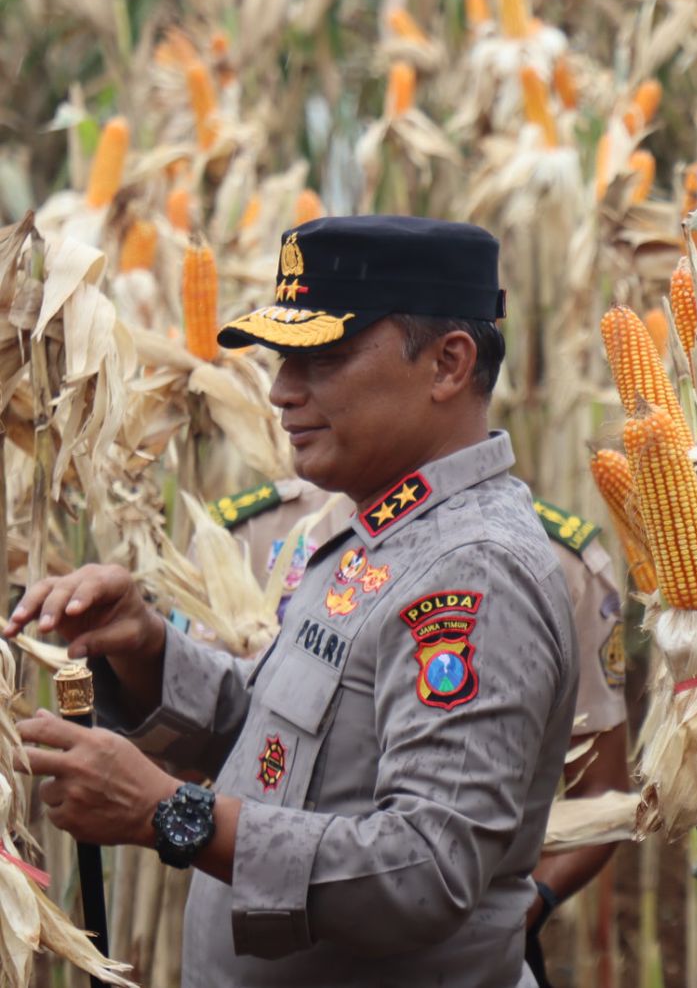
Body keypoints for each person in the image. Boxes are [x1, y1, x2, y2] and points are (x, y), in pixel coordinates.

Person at [6, 216, 576, 987]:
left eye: (324, 358)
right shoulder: (382, 531)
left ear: (448, 364)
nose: (278, 392)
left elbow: (426, 870)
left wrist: (172, 815)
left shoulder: (472, 575)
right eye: (281, 359)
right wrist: (147, 650)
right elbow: (278, 744)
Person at [206, 476, 629, 984]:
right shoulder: (242, 533)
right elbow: (224, 745)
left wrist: (519, 910)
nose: (286, 395)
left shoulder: (529, 561)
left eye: (316, 386)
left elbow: (600, 792)